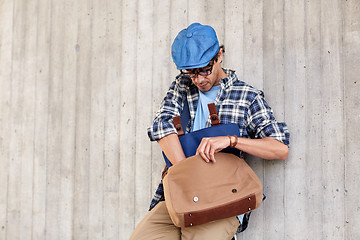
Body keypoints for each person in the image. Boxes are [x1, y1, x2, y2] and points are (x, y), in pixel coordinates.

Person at [130, 23, 290, 240]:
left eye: (205, 69)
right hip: (181, 195)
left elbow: (279, 148)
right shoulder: (182, 87)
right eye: (191, 73)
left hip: (224, 198)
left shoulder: (246, 96)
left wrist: (231, 141)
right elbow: (161, 125)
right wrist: (189, 175)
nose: (199, 79)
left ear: (219, 55)